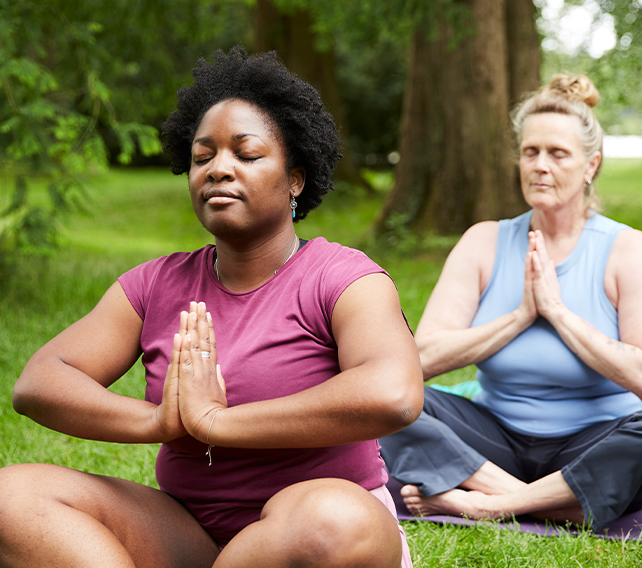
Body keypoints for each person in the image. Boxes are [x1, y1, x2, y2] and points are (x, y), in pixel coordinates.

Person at [0, 47, 423, 568]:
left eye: (246, 155)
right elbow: (41, 381)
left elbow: (394, 394)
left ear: (295, 179)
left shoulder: (342, 277)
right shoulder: (155, 284)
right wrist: (158, 423)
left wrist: (215, 422)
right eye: (203, 158)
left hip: (313, 538)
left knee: (333, 520)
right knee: (11, 500)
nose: (219, 169)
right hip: (188, 533)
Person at [380, 73, 642, 534]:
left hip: (593, 441)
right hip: (492, 439)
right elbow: (416, 362)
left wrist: (558, 313)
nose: (540, 165)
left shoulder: (625, 250)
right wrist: (520, 316)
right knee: (381, 397)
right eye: (530, 152)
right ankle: (548, 501)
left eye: (558, 153)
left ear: (590, 165)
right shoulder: (484, 242)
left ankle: (483, 505)